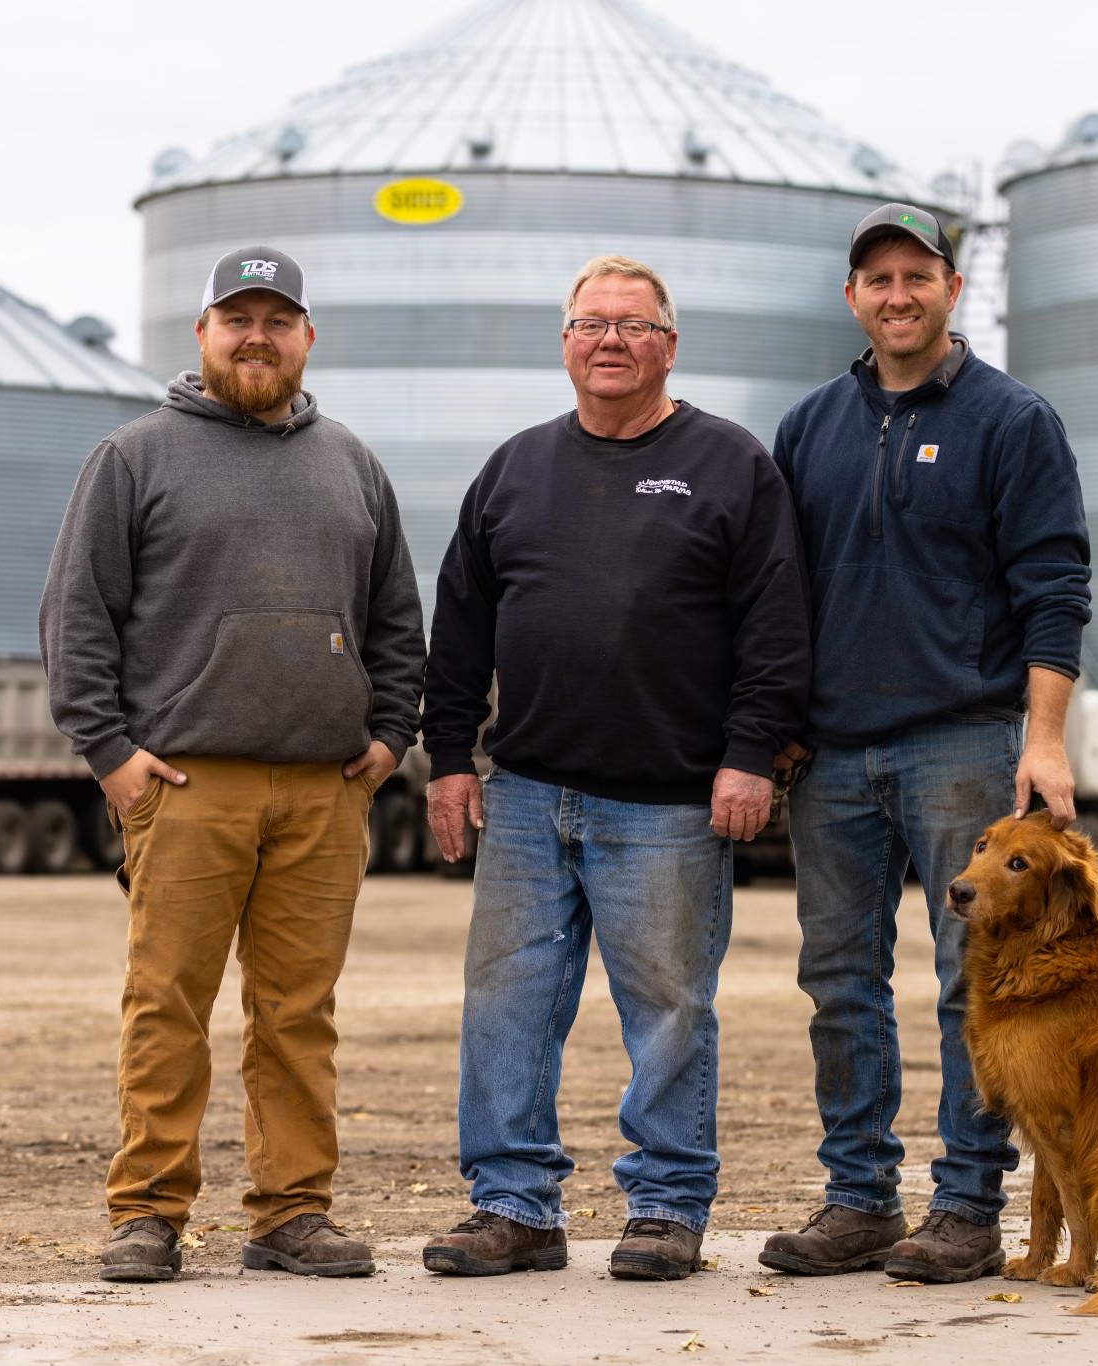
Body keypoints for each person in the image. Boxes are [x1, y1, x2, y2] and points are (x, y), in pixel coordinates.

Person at [418, 256, 812, 1282]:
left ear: (668, 346)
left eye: (632, 327)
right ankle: (512, 1206)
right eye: (589, 323)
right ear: (564, 344)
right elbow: (458, 626)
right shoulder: (513, 468)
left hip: (670, 802)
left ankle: (667, 1206)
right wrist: (450, 757)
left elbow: (775, 626)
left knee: (670, 1010)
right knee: (504, 1007)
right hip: (526, 792)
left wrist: (747, 754)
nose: (609, 341)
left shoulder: (729, 464)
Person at [39, 245, 424, 1283]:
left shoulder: (349, 460)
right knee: (168, 1003)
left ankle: (291, 1214)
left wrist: (391, 736)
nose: (257, 336)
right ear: (201, 332)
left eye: (277, 319)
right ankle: (148, 1212)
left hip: (324, 788)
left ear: (306, 337)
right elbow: (78, 615)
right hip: (185, 784)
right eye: (236, 318)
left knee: (298, 1015)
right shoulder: (134, 456)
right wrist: (109, 754)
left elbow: (396, 616)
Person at [755, 204, 1091, 1284]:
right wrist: (776, 729)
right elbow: (776, 596)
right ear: (849, 298)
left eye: (915, 274)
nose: (896, 294)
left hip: (963, 740)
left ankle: (963, 1205)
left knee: (972, 981)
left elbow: (1054, 587)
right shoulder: (808, 427)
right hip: (832, 756)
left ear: (949, 288)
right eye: (876, 278)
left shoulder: (1010, 420)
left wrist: (1041, 740)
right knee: (838, 976)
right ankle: (857, 1198)